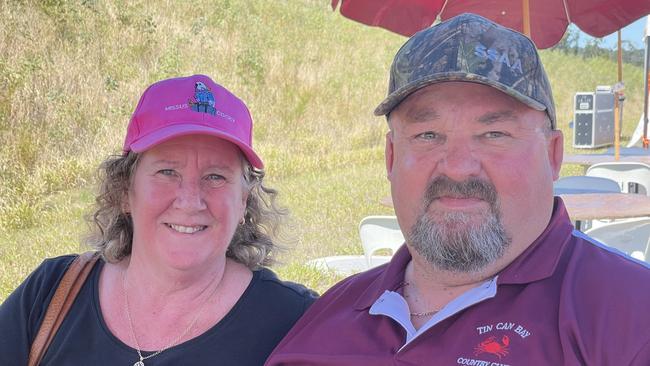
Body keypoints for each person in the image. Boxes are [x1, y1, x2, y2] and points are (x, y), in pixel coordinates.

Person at [265, 13, 650, 365]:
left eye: (493, 133)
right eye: (427, 134)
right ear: (391, 158)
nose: (458, 165)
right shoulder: (327, 318)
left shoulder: (631, 318)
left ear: (552, 155)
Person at [0, 74, 316, 365]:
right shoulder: (52, 293)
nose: (191, 200)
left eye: (216, 176)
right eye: (167, 172)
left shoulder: (295, 325)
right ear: (125, 190)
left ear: (243, 199)